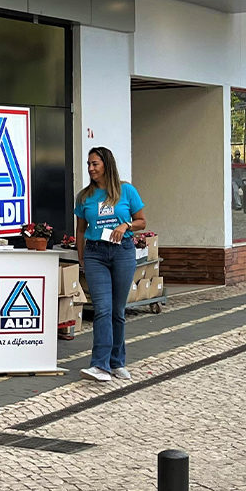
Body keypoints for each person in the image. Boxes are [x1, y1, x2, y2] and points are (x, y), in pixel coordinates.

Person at [74, 147, 147, 383]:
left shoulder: (126, 190)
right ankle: (100, 365)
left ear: (107, 164)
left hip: (122, 252)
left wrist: (125, 225)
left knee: (117, 311)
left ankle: (117, 362)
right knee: (102, 309)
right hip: (95, 254)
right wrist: (81, 256)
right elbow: (80, 229)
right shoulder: (84, 196)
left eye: (95, 163)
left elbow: (142, 221)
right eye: (88, 164)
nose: (91, 168)